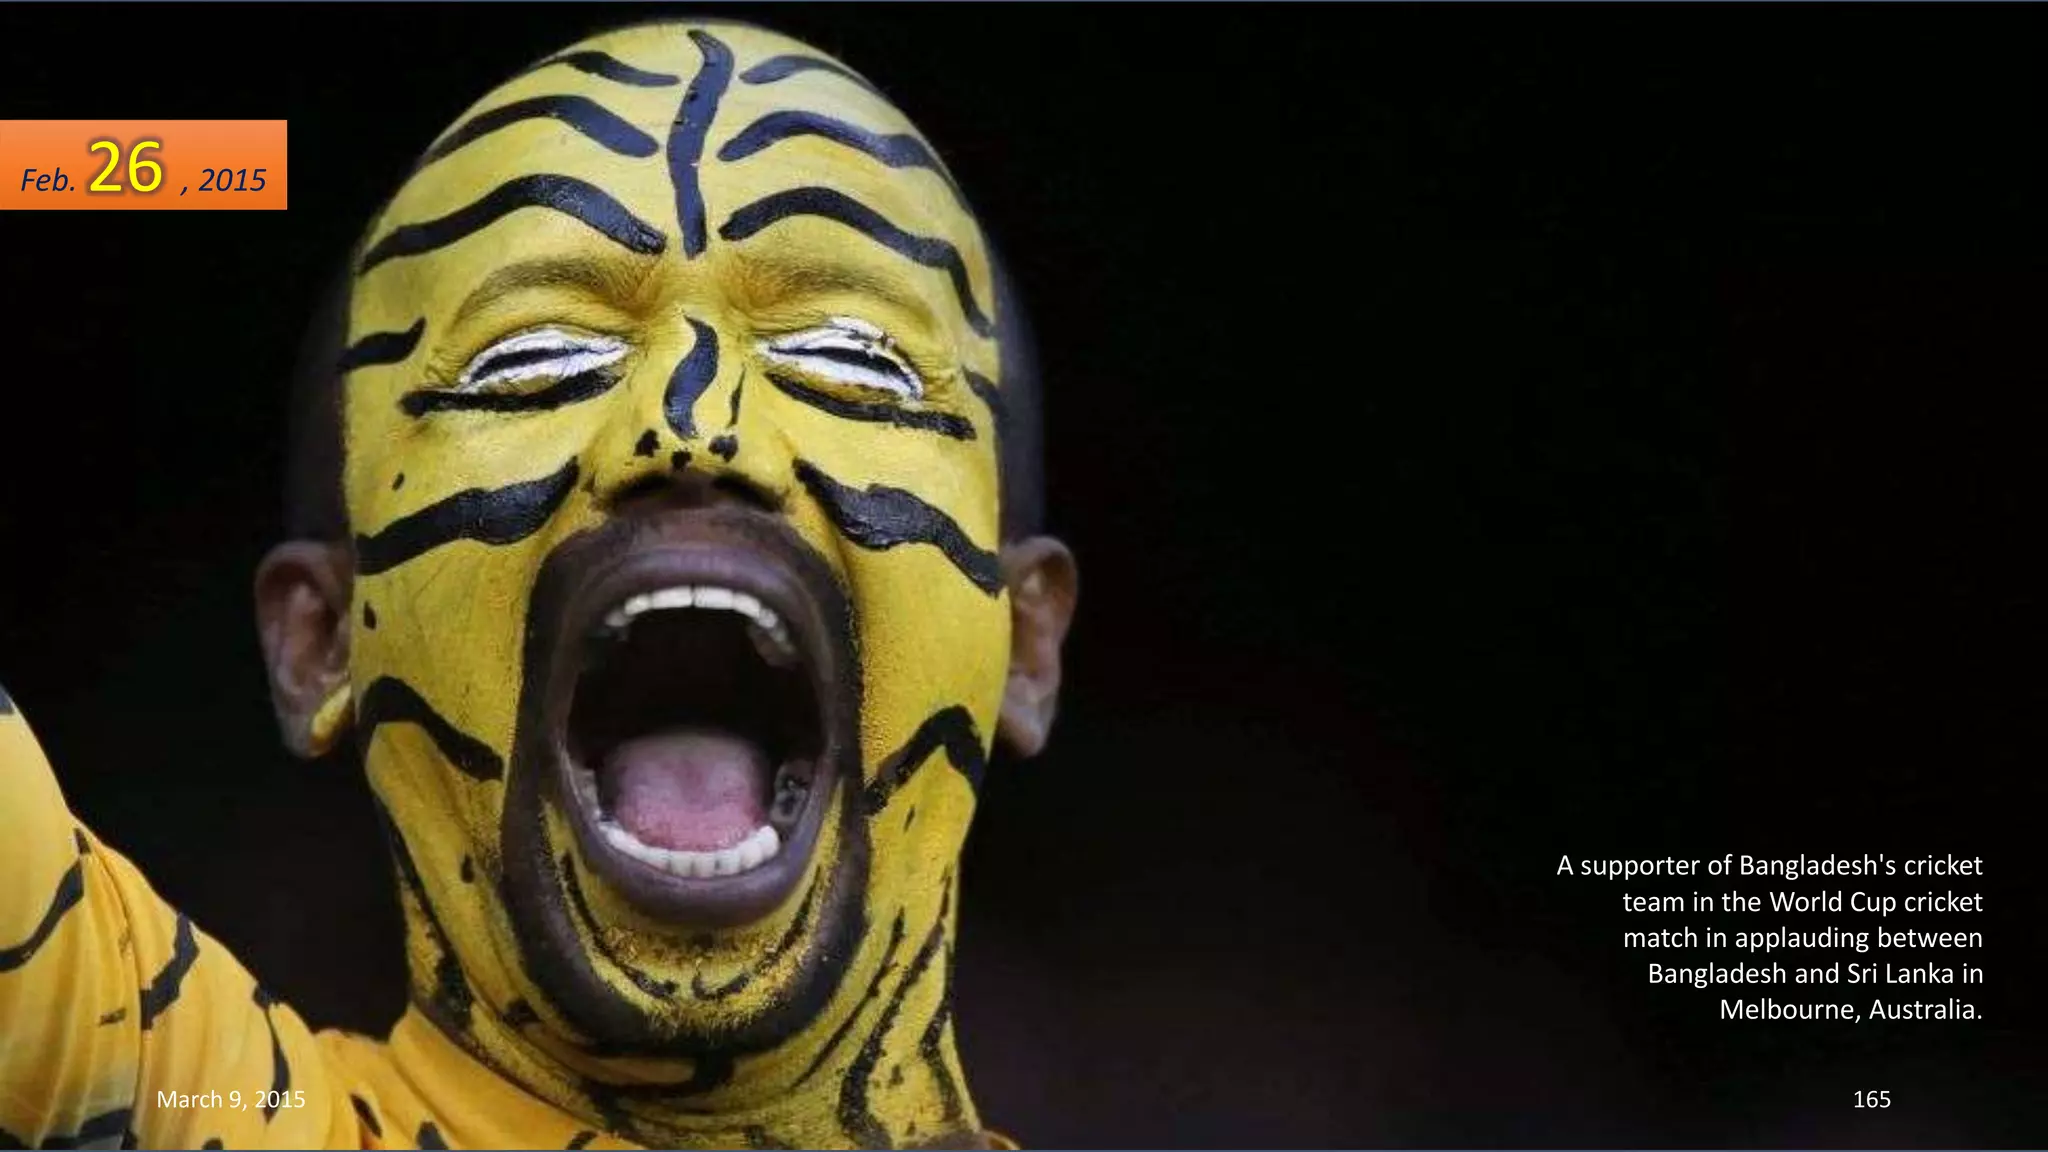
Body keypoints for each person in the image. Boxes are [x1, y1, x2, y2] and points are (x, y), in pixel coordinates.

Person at [0, 18, 1077, 1150]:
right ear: (321, 640)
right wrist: (233, 157)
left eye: (852, 359)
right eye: (535, 357)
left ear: (1026, 640)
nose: (692, 426)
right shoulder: (178, 1099)